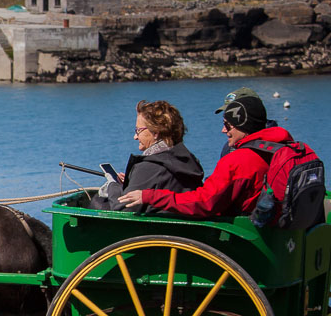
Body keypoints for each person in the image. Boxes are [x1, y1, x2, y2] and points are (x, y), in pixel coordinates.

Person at [120, 87, 294, 218]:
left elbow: (204, 201)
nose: (223, 131)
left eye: (227, 125)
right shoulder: (287, 148)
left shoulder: (239, 160)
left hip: (240, 235)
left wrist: (150, 196)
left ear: (243, 125)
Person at [92, 99, 204, 211]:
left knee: (97, 202)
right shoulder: (188, 160)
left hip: (153, 227)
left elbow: (123, 211)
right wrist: (132, 180)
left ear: (155, 133)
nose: (135, 137)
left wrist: (113, 185)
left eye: (138, 130)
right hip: (181, 224)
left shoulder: (149, 167)